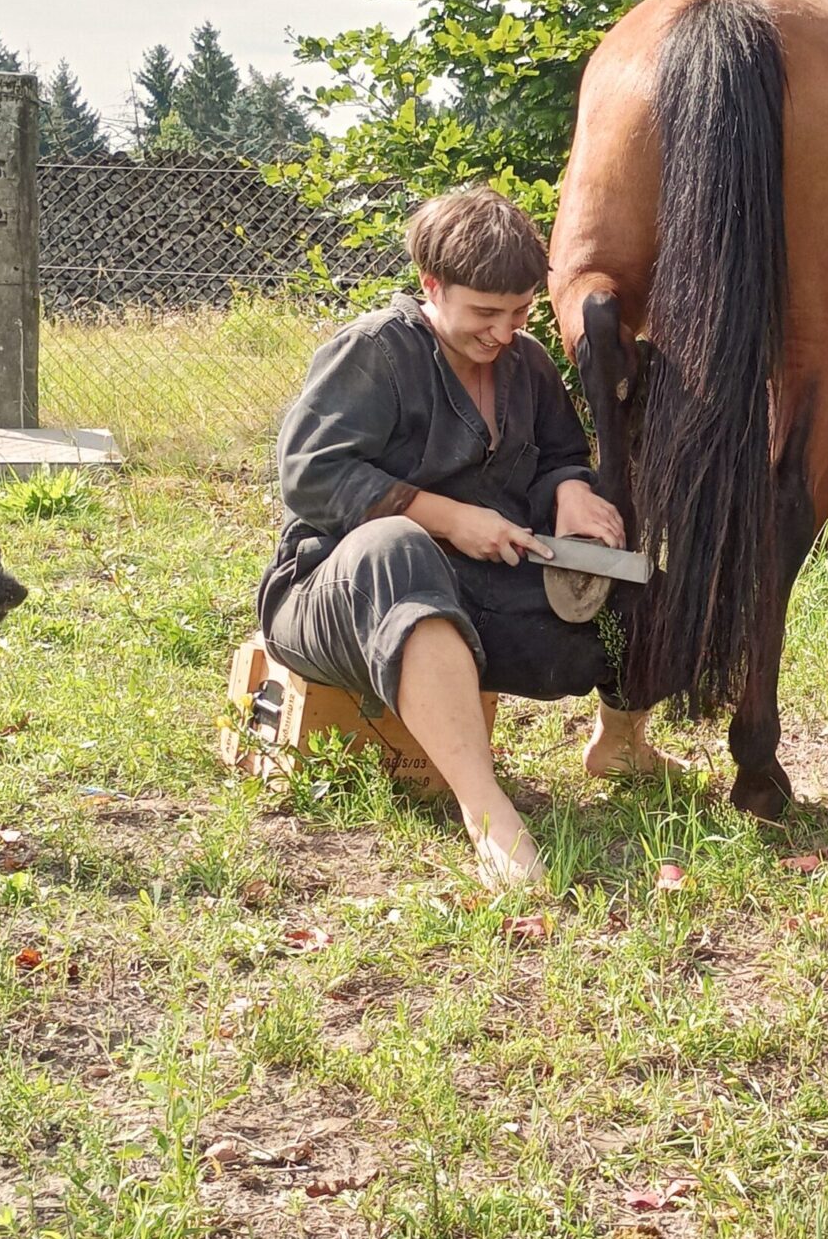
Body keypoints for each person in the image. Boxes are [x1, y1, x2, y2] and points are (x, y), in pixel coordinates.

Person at [256, 185, 668, 888]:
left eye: (519, 311)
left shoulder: (527, 363)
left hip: (473, 592)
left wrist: (571, 492)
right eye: (484, 312)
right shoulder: (374, 352)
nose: (504, 332)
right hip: (339, 592)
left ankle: (620, 743)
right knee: (398, 545)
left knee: (638, 576)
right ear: (431, 286)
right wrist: (446, 517)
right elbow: (310, 475)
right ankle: (490, 820)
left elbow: (560, 453)